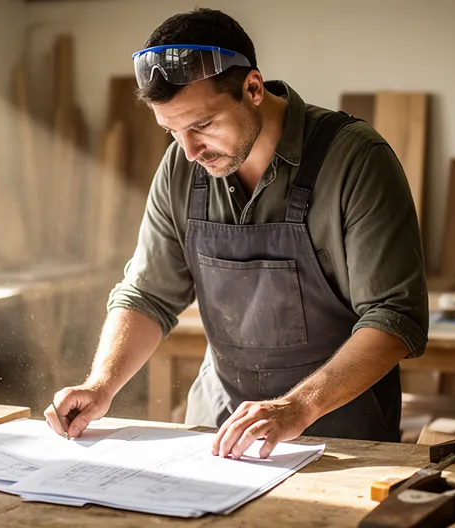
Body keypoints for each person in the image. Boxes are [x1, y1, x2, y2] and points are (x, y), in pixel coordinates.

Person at [45, 7, 428, 460]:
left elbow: (393, 318)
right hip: (218, 432)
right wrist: (101, 384)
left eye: (202, 125)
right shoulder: (182, 168)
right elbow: (148, 294)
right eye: (171, 131)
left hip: (340, 439)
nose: (187, 151)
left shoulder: (356, 161)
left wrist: (296, 407)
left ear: (252, 88)